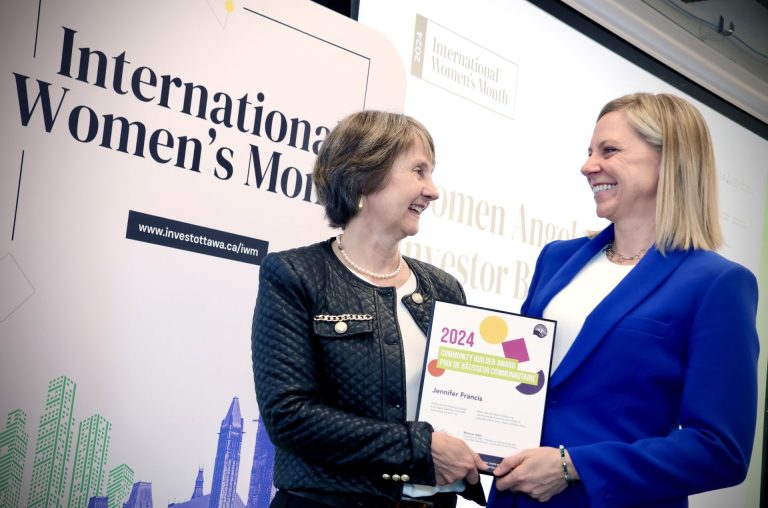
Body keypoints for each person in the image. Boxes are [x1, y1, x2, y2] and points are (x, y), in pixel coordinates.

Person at [489, 93, 759, 507]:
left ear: (669, 161)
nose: (587, 166)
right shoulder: (556, 259)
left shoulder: (716, 284)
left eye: (609, 150)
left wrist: (573, 466)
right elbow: (519, 380)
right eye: (590, 152)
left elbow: (720, 449)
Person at [252, 110, 488, 508]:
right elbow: (288, 416)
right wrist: (419, 449)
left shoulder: (444, 289)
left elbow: (467, 405)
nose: (433, 191)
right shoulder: (295, 275)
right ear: (365, 175)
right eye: (419, 171)